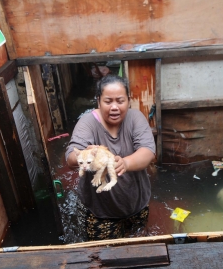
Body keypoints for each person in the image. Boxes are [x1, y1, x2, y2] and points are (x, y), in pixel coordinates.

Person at [65, 74, 156, 241]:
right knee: (104, 257)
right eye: (108, 101)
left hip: (136, 204)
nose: (114, 107)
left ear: (128, 100)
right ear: (98, 100)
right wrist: (85, 154)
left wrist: (126, 163)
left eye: (120, 101)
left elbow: (148, 151)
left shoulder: (136, 118)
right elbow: (71, 155)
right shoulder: (87, 123)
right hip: (101, 213)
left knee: (138, 247)